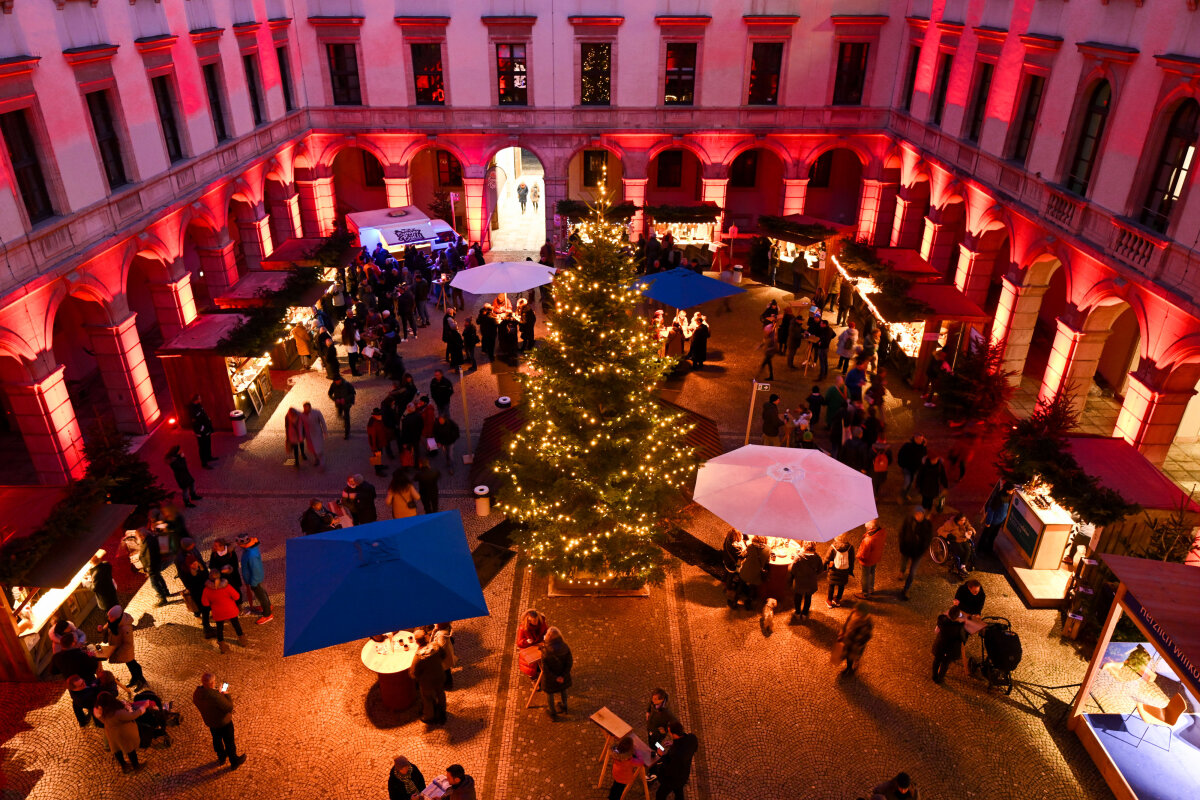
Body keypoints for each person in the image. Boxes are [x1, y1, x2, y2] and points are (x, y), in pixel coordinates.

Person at [193, 672, 246, 769]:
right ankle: (234, 761)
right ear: (212, 683)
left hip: (211, 723)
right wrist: (225, 694)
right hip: (224, 723)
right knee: (229, 742)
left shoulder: (197, 694)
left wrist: (217, 693)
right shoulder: (215, 696)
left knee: (217, 740)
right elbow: (229, 707)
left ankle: (221, 757)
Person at [94, 692, 150, 773]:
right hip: (123, 733)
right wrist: (143, 707)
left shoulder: (98, 710)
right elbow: (132, 716)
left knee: (117, 749)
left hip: (111, 733)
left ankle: (124, 766)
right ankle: (136, 766)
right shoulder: (117, 712)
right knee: (130, 749)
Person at [98, 605, 146, 690]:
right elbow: (106, 628)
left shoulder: (125, 627)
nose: (108, 618)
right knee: (130, 665)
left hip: (125, 651)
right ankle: (135, 679)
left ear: (117, 617)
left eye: (110, 617)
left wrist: (117, 652)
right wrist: (101, 630)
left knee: (133, 664)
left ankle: (140, 680)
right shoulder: (112, 622)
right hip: (119, 648)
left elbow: (128, 644)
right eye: (108, 616)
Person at [174, 538, 214, 637]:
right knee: (204, 607)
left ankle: (202, 620)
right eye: (192, 545)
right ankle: (207, 629)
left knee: (203, 606)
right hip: (197, 588)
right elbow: (188, 577)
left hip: (200, 586)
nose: (195, 546)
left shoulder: (190, 555)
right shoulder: (184, 563)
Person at [651, 720, 698, 800]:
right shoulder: (692, 738)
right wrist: (673, 743)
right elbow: (692, 748)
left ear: (674, 734)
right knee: (679, 792)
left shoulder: (676, 753)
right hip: (684, 775)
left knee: (660, 795)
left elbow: (669, 768)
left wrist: (660, 755)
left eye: (669, 732)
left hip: (672, 780)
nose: (669, 733)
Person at [202, 572, 244, 654]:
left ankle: (222, 646)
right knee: (236, 624)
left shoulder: (206, 590)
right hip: (231, 610)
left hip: (218, 613)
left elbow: (205, 603)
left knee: (220, 628)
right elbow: (237, 596)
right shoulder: (227, 586)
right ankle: (242, 641)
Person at [411, 630, 447, 724]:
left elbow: (413, 673)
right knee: (441, 694)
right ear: (426, 637)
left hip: (427, 683)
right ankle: (442, 712)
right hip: (439, 676)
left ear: (417, 641)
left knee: (427, 699)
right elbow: (444, 655)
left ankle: (428, 716)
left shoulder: (418, 656)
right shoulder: (436, 646)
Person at [897, 507, 933, 601]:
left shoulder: (927, 525)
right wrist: (902, 543)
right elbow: (902, 532)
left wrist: (922, 548)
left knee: (912, 572)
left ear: (923, 514)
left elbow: (928, 539)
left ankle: (906, 589)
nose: (918, 516)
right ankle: (902, 571)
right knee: (904, 561)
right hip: (907, 548)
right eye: (916, 514)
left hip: (918, 552)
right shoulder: (909, 520)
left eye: (920, 514)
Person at [235, 534, 273, 624]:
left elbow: (255, 570)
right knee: (262, 592)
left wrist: (253, 582)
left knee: (261, 595)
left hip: (255, 580)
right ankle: (268, 606)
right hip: (256, 579)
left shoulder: (250, 554)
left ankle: (267, 614)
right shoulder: (251, 549)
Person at [540, 626, 572, 719]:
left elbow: (545, 668)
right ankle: (564, 706)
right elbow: (569, 662)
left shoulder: (545, 651)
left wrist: (555, 678)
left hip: (551, 678)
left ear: (549, 637)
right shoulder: (565, 647)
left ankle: (552, 712)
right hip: (562, 675)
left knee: (550, 693)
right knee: (563, 689)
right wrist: (562, 676)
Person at [788, 541, 824, 621]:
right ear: (814, 547)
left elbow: (792, 570)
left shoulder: (798, 558)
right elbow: (821, 570)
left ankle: (797, 613)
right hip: (811, 583)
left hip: (799, 583)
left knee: (798, 597)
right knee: (808, 598)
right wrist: (814, 574)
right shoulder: (817, 557)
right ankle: (804, 614)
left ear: (804, 547)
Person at [134, 527, 170, 606]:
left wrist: (149, 571)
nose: (136, 538)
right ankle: (166, 592)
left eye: (137, 536)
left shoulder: (147, 543)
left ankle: (162, 598)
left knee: (154, 584)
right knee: (159, 578)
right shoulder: (149, 539)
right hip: (156, 565)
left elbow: (150, 558)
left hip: (152, 567)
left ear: (141, 536)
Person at [834, 601, 873, 675]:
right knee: (846, 656)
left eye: (858, 611)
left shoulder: (867, 623)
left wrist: (856, 642)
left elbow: (867, 636)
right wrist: (842, 632)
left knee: (851, 657)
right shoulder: (854, 613)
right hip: (847, 640)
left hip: (855, 645)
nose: (855, 611)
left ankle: (850, 669)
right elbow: (847, 622)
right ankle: (848, 667)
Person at [932, 606, 969, 683]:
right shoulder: (959, 627)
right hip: (950, 649)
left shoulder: (941, 620)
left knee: (937, 660)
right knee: (945, 663)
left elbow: (938, 629)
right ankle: (940, 679)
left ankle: (934, 676)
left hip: (939, 645)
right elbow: (963, 638)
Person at [978, 481, 1015, 555]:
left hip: (999, 520)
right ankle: (980, 549)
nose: (1013, 491)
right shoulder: (999, 498)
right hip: (993, 521)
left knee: (993, 535)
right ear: (1007, 490)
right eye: (1012, 490)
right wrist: (988, 522)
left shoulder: (1006, 496)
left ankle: (988, 549)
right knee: (987, 535)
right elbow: (991, 510)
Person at [938, 512, 978, 577]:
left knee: (968, 550)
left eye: (964, 520)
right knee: (961, 552)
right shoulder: (949, 524)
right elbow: (940, 530)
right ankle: (961, 567)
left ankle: (962, 566)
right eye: (961, 520)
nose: (963, 522)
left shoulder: (965, 523)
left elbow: (970, 527)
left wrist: (971, 531)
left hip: (963, 539)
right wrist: (948, 535)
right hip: (954, 540)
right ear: (957, 520)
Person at [608, 735, 647, 800]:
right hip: (623, 778)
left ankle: (611, 796)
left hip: (616, 773)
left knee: (615, 786)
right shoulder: (629, 760)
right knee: (619, 791)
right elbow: (640, 762)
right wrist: (637, 752)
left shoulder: (615, 753)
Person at [738, 535, 770, 610]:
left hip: (745, 572)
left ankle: (734, 601)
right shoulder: (768, 549)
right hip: (756, 575)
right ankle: (748, 603)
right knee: (752, 588)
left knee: (741, 584)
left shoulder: (750, 547)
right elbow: (767, 562)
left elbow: (742, 555)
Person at [824, 533, 856, 608]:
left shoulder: (833, 547)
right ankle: (837, 600)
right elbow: (851, 560)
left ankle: (829, 601)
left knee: (831, 585)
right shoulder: (850, 547)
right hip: (844, 570)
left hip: (834, 570)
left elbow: (827, 558)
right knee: (841, 585)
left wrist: (824, 567)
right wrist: (850, 570)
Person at [856, 520, 886, 600]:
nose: (865, 524)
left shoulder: (868, 539)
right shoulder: (881, 532)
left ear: (871, 527)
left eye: (867, 524)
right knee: (872, 572)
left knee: (865, 576)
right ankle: (871, 589)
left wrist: (858, 556)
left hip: (868, 560)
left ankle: (865, 593)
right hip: (875, 557)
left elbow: (863, 554)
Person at [516, 609, 548, 679]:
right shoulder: (523, 628)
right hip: (528, 647)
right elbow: (519, 643)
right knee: (531, 667)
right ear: (529, 620)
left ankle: (542, 671)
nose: (535, 622)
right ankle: (533, 679)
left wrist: (546, 635)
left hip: (540, 644)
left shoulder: (542, 622)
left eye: (536, 620)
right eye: (533, 621)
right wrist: (526, 642)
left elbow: (546, 630)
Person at [896, 434, 927, 503]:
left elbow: (924, 458)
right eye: (918, 439)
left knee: (910, 482)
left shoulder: (923, 448)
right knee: (907, 482)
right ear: (914, 439)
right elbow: (901, 454)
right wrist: (901, 464)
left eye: (921, 439)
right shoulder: (907, 446)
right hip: (907, 468)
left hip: (916, 468)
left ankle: (905, 494)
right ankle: (901, 495)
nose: (920, 441)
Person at [189, 394, 217, 468]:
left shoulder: (199, 405)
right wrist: (201, 428)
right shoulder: (192, 409)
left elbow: (203, 414)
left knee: (208, 443)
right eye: (199, 398)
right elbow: (194, 421)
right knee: (202, 446)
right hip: (201, 431)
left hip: (206, 428)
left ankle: (209, 456)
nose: (201, 399)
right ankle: (204, 463)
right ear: (196, 400)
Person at [721, 529, 746, 606]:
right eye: (740, 535)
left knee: (726, 571)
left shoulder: (728, 539)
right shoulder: (735, 547)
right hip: (731, 564)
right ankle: (728, 588)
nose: (741, 536)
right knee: (730, 576)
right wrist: (745, 550)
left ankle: (724, 581)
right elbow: (740, 556)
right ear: (736, 537)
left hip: (726, 559)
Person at [328, 375, 357, 440]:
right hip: (339, 404)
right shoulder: (333, 385)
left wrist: (345, 399)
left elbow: (353, 393)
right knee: (339, 415)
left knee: (347, 417)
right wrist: (335, 399)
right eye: (335, 381)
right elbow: (329, 393)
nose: (337, 382)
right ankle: (345, 420)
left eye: (338, 381)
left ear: (340, 379)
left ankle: (347, 433)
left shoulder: (347, 384)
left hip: (347, 404)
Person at [301, 401, 328, 466]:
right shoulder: (302, 415)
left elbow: (322, 422)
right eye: (304, 408)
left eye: (306, 408)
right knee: (312, 448)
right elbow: (301, 425)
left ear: (310, 407)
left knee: (318, 446)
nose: (305, 409)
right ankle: (316, 458)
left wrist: (325, 431)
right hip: (308, 435)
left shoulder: (317, 412)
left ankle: (321, 459)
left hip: (317, 433)